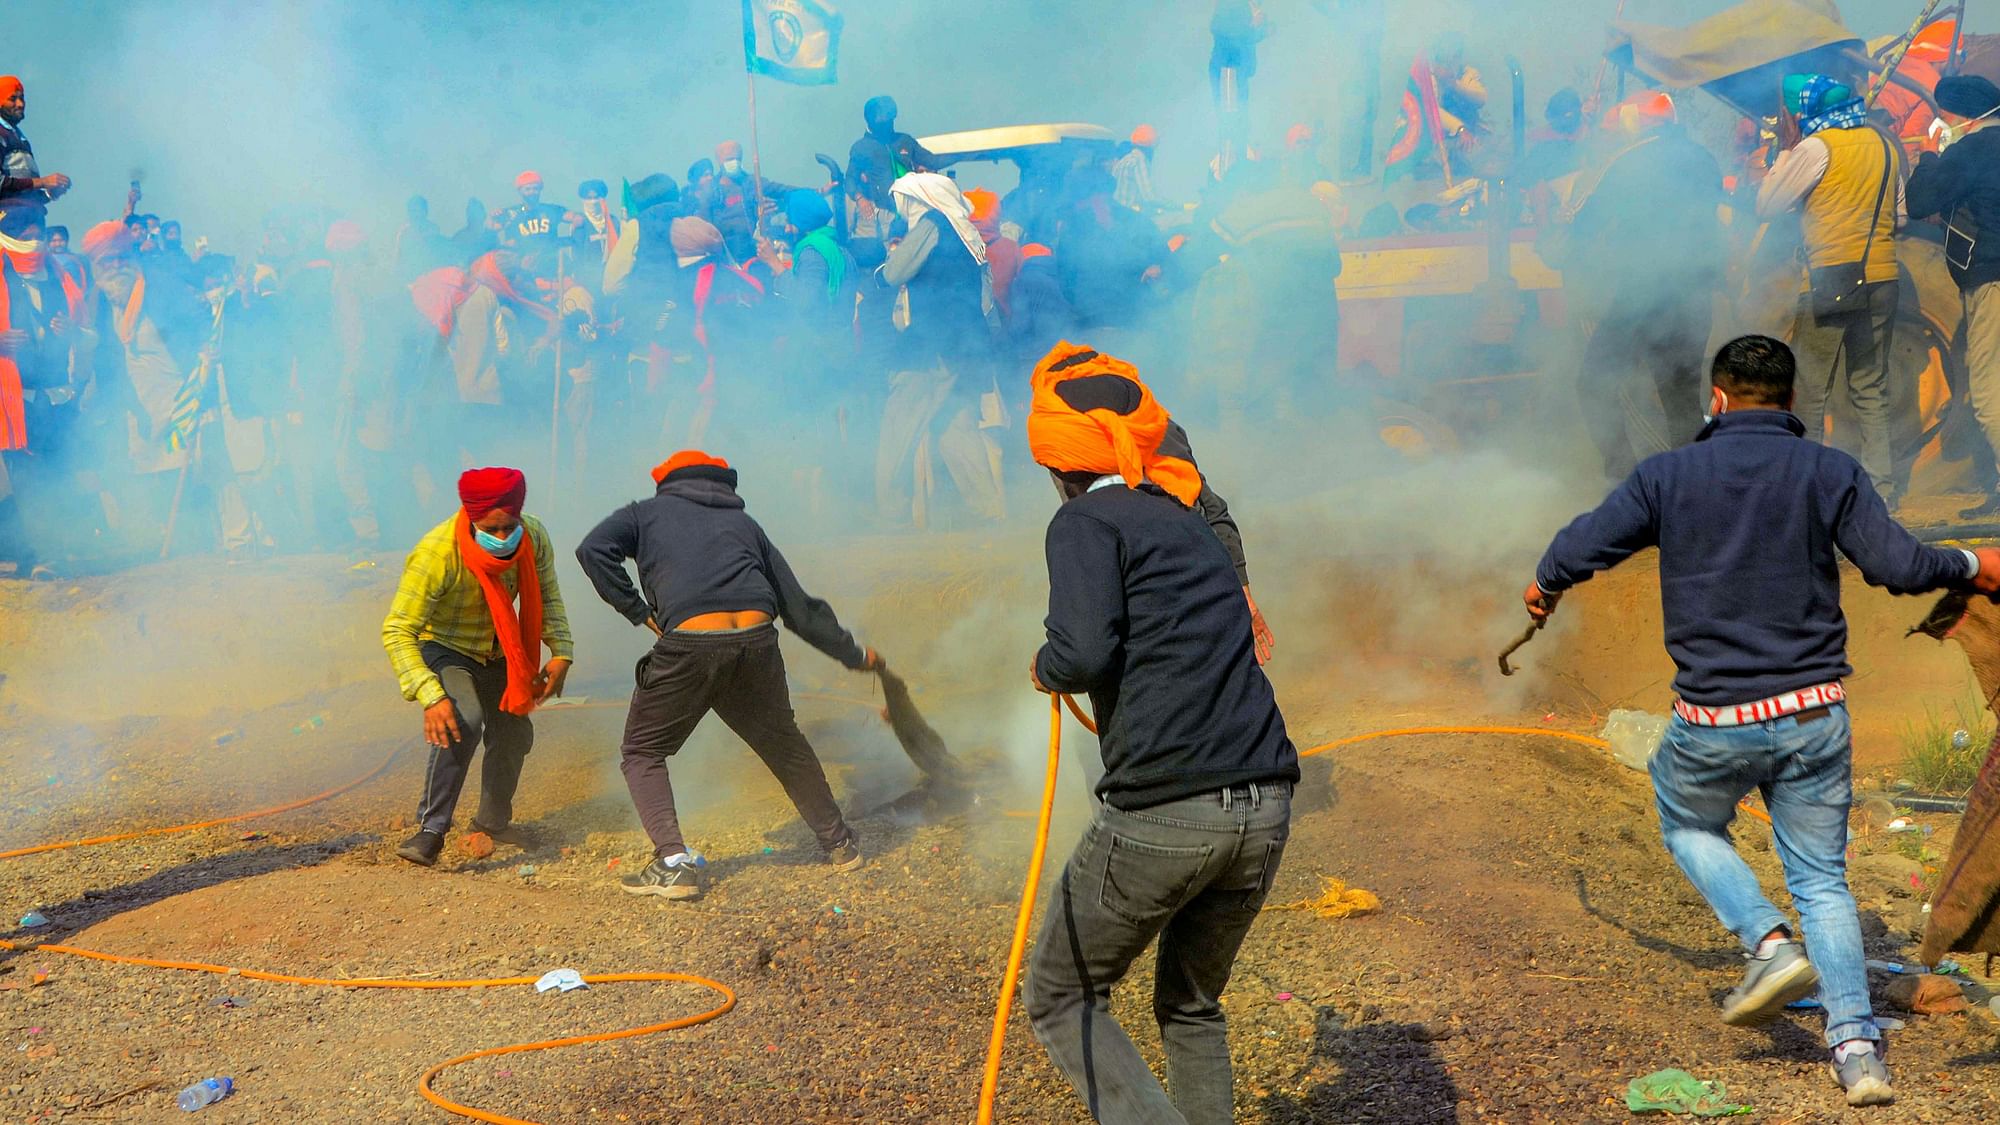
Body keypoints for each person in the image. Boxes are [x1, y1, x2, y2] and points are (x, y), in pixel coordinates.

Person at [1525, 335, 2000, 1110]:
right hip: (1813, 714)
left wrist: (1544, 585)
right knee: (1823, 881)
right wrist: (1971, 563)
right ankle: (1858, 1052)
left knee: (1686, 823)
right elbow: (1900, 566)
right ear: (1789, 401)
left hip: (1713, 719)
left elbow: (1580, 545)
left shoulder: (1666, 475)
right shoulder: (1829, 470)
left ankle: (1769, 943)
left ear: (1716, 398)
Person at [1022, 343, 1298, 1125]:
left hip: (1169, 809)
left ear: (1056, 464)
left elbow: (1080, 652)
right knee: (1191, 1001)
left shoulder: (1082, 523)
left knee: (1061, 994)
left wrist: (1045, 665)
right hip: (1268, 802)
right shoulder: (1187, 516)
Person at [574, 451, 876, 900]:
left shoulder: (644, 514)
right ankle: (839, 843)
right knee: (783, 744)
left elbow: (591, 550)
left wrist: (638, 611)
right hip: (756, 642)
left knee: (642, 751)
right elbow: (797, 607)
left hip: (692, 647)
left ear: (667, 483)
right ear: (724, 484)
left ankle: (673, 863)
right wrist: (853, 653)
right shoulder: (745, 525)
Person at [382, 466, 573, 867]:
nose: (503, 537)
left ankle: (492, 822)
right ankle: (431, 829)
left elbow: (549, 593)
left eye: (510, 526)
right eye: (492, 528)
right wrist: (430, 695)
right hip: (447, 648)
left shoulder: (533, 536)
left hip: (501, 649)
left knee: (514, 730)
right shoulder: (437, 553)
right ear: (471, 520)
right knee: (462, 719)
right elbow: (398, 630)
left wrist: (561, 651)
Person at [1757, 74, 1907, 504]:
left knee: (1809, 389)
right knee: (1870, 386)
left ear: (1802, 111)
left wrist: (1785, 152)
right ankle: (1882, 489)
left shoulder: (1814, 148)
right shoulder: (1883, 145)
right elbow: (1899, 217)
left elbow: (1766, 204)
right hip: (1882, 277)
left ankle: (1807, 491)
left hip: (1830, 279)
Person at [1563, 92, 1725, 480]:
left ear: (1637, 125)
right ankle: (1695, 486)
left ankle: (1624, 478)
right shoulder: (1704, 159)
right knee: (1681, 397)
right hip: (1694, 294)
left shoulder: (1630, 161)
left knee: (1593, 383)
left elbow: (1581, 222)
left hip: (1643, 295)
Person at [875, 172, 1004, 525]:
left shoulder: (932, 224)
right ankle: (990, 510)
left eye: (906, 200)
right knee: (955, 429)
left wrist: (892, 254)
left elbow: (894, 273)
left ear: (921, 200)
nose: (902, 207)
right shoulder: (964, 230)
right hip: (964, 348)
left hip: (930, 349)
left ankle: (890, 514)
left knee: (899, 429)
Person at [1907, 75, 2000, 517]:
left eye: (1943, 114)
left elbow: (1922, 198)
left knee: (1988, 394)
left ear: (1960, 115)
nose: (1940, 121)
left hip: (1992, 282)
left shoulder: (1972, 150)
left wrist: (1927, 156)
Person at [1384, 33, 1488, 182]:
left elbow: (1481, 98)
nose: (1449, 63)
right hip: (1428, 143)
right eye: (1445, 59)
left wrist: (1454, 84)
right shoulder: (1426, 77)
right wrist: (1460, 128)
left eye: (1454, 57)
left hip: (1460, 142)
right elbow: (1431, 111)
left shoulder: (1467, 73)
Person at [846, 96, 939, 231]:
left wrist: (960, 156)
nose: (888, 126)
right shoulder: (861, 148)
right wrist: (860, 199)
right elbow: (850, 180)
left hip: (912, 211)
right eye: (882, 123)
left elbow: (931, 161)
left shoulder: (905, 140)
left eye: (890, 121)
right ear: (870, 122)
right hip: (883, 214)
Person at [0, 76, 70, 226]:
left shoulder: (20, 138)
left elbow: (23, 194)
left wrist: (49, 194)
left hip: (29, 222)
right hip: (9, 227)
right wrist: (43, 182)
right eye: (12, 99)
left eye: (22, 99)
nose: (20, 104)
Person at [496, 171, 570, 264]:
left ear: (540, 189)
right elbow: (491, 230)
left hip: (549, 264)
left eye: (535, 189)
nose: (532, 192)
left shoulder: (552, 210)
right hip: (518, 267)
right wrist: (491, 219)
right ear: (520, 191)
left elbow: (575, 218)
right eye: (527, 189)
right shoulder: (510, 213)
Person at [1111, 125, 1161, 214]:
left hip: (1115, 212)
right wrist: (1172, 205)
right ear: (1151, 147)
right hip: (1126, 215)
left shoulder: (1125, 160)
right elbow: (1149, 196)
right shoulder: (1140, 160)